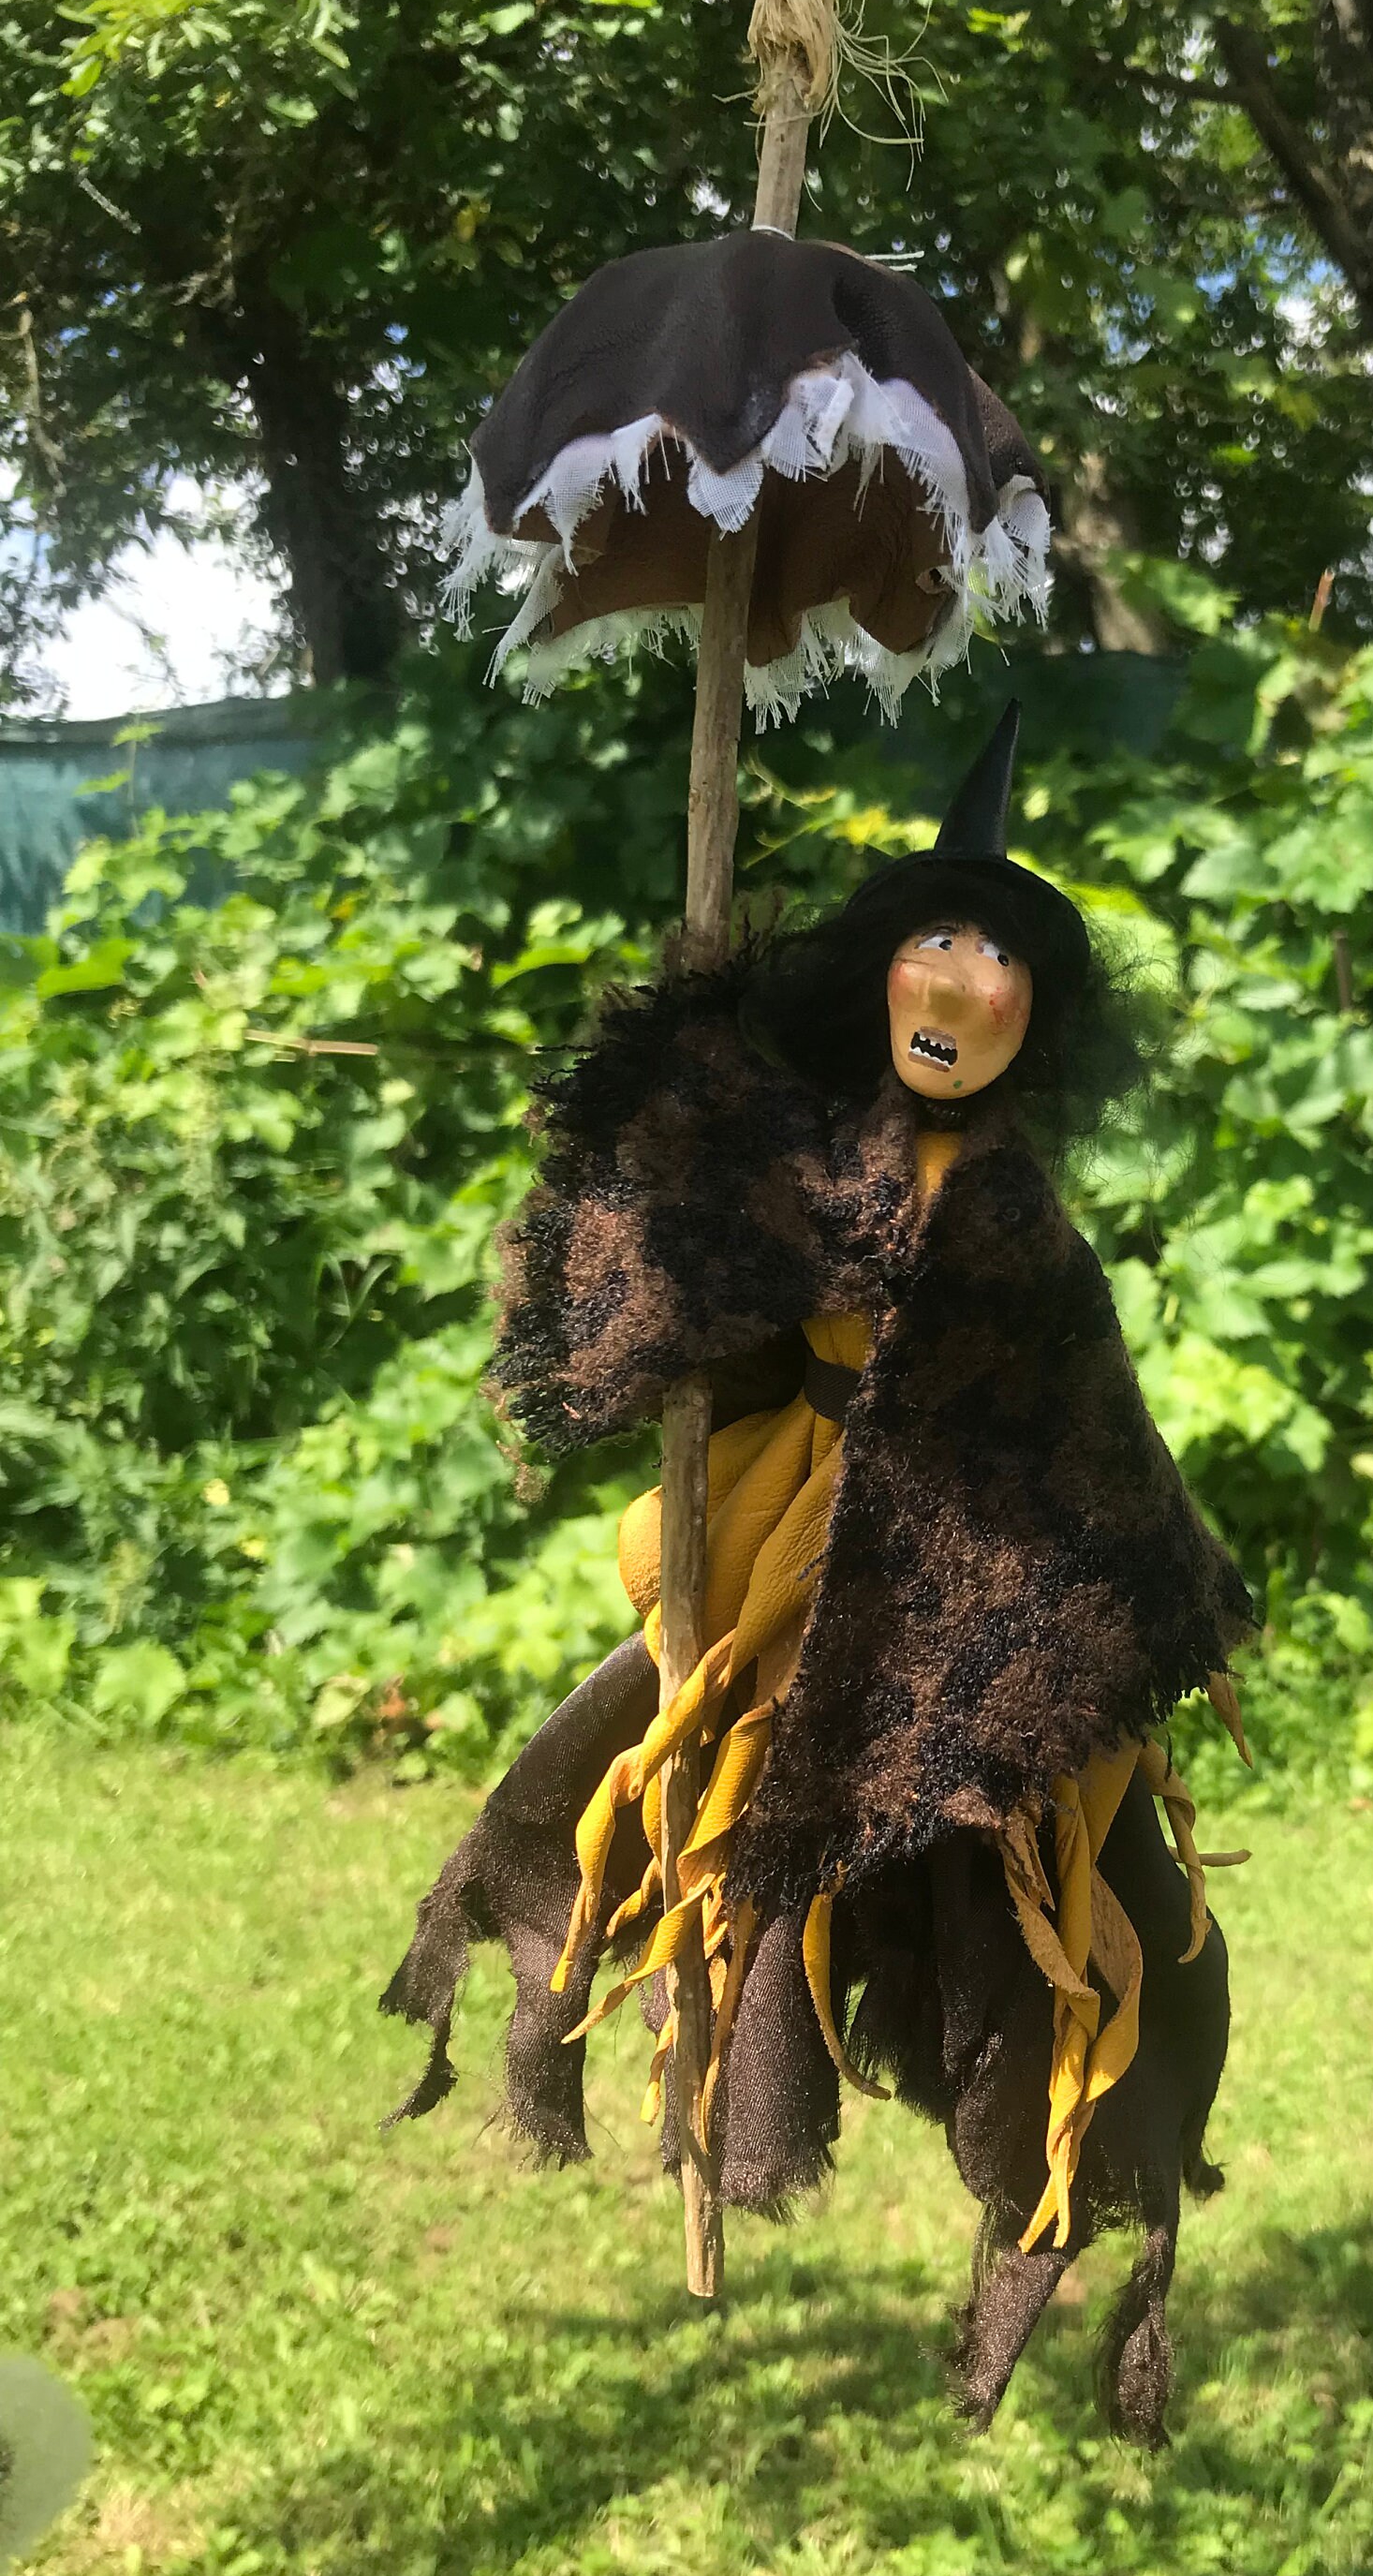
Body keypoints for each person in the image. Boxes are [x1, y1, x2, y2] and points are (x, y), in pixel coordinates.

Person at [383, 704, 1254, 2437]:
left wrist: (1083, 1615)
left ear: (1040, 1018)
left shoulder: (1020, 1230)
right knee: (716, 1781)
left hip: (955, 1571)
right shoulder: (808, 1163)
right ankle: (730, 2083)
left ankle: (1031, 2148)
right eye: (930, 938)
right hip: (790, 1541)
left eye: (999, 957)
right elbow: (689, 1268)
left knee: (1002, 1851)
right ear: (878, 972)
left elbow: (1081, 1449)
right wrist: (687, 1094)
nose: (958, 979)